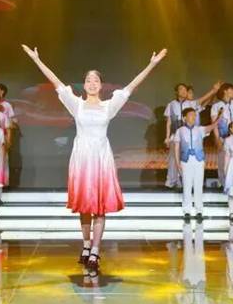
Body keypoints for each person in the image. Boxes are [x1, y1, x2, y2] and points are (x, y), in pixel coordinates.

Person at [22, 44, 168, 275]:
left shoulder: (109, 106)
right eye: (88, 80)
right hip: (82, 159)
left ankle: (95, 251)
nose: (92, 83)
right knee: (84, 206)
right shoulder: (76, 105)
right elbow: (56, 83)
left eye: (95, 80)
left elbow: (131, 86)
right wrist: (36, 60)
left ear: (101, 85)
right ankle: (86, 244)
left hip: (101, 159)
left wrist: (152, 64)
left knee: (99, 207)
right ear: (84, 84)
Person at [174, 107, 223, 220]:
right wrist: (177, 163)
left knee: (198, 185)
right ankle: (186, 210)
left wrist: (219, 116)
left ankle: (199, 210)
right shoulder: (180, 131)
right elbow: (176, 148)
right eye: (191, 115)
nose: (194, 117)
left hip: (199, 160)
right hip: (185, 161)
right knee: (187, 185)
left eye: (195, 115)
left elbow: (213, 126)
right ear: (184, 117)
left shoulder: (200, 129)